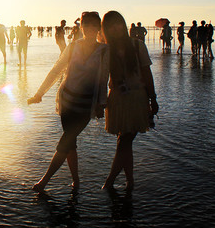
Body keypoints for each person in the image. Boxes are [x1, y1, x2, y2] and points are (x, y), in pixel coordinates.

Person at [27, 12, 109, 193]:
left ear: (99, 28)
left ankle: (44, 181)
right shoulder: (72, 47)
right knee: (70, 142)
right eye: (86, 25)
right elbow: (56, 70)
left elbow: (104, 79)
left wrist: (101, 104)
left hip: (85, 106)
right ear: (81, 27)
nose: (90, 28)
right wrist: (39, 94)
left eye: (94, 25)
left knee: (66, 141)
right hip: (67, 102)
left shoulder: (104, 51)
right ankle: (76, 181)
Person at [101, 11, 159, 193]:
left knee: (124, 141)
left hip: (137, 98)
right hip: (117, 99)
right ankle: (130, 181)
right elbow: (100, 79)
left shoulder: (137, 45)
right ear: (106, 29)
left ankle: (110, 181)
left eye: (118, 23)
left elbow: (147, 74)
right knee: (124, 141)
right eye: (110, 25)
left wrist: (153, 99)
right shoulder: (105, 49)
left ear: (124, 24)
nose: (115, 28)